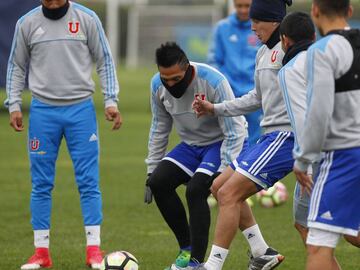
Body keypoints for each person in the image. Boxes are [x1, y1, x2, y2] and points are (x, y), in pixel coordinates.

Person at [5, 0, 122, 269]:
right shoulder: (26, 23)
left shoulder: (87, 18)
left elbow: (104, 59)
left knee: (88, 181)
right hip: (43, 112)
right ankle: (41, 252)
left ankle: (93, 250)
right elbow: (16, 66)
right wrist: (13, 104)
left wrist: (111, 100)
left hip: (80, 111)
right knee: (41, 183)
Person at [192, 0, 294, 269]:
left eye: (257, 21)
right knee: (217, 186)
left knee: (228, 195)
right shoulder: (262, 53)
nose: (252, 27)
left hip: (286, 138)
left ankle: (212, 266)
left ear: (274, 21)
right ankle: (262, 252)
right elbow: (256, 98)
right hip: (268, 136)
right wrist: (216, 108)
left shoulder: (290, 51)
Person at [144, 42, 247, 270]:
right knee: (158, 182)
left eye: (176, 79)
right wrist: (151, 168)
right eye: (165, 79)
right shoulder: (156, 86)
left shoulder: (213, 81)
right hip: (190, 145)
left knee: (195, 191)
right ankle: (186, 248)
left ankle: (196, 263)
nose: (170, 85)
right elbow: (160, 126)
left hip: (220, 143)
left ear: (187, 67)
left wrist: (225, 169)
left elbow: (234, 129)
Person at [278, 10, 360, 251]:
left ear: (284, 40)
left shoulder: (291, 69)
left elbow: (306, 120)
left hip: (327, 158)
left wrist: (304, 161)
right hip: (347, 148)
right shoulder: (340, 52)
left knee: (316, 231)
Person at [208, 0, 262, 146]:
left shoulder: (260, 27)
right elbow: (214, 60)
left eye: (247, 6)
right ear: (234, 6)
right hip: (229, 93)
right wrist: (224, 86)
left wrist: (259, 86)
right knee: (230, 139)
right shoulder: (222, 28)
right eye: (239, 6)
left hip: (255, 92)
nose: (243, 10)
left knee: (254, 140)